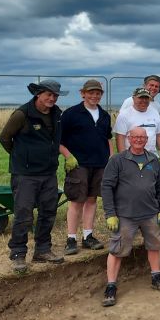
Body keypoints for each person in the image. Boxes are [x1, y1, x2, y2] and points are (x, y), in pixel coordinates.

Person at [0, 79, 67, 272]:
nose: (52, 98)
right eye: (48, 94)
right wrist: (22, 158)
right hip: (25, 174)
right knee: (23, 214)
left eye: (55, 95)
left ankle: (43, 250)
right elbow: (4, 138)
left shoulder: (57, 115)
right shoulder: (22, 114)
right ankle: (18, 254)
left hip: (48, 172)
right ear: (38, 94)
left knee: (48, 212)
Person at [100, 127, 160, 307]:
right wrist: (110, 214)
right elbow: (106, 187)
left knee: (155, 245)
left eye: (142, 137)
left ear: (147, 139)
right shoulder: (117, 160)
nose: (139, 140)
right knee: (117, 250)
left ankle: (156, 277)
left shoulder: (153, 160)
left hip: (150, 213)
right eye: (135, 137)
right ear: (129, 139)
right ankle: (111, 286)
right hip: (124, 215)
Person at [59, 79, 113, 255]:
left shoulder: (104, 115)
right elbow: (58, 140)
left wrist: (111, 158)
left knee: (91, 200)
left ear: (101, 95)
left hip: (99, 164)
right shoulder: (71, 114)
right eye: (90, 92)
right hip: (78, 165)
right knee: (76, 200)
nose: (94, 96)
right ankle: (71, 239)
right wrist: (68, 156)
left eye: (97, 93)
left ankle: (88, 236)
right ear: (83, 93)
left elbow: (107, 138)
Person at [114, 87, 160, 166]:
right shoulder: (124, 115)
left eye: (146, 98)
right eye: (141, 98)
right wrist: (123, 159)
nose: (144, 101)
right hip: (131, 159)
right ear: (133, 98)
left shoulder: (154, 112)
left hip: (152, 158)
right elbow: (120, 138)